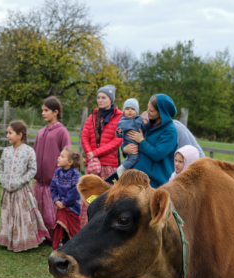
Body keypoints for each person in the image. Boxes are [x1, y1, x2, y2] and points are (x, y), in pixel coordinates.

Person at [0, 120, 49, 252]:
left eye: (10, 133)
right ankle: (8, 239)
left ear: (19, 135)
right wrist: (3, 180)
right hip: (7, 191)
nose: (7, 136)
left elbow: (32, 170)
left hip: (21, 190)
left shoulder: (28, 151)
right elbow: (1, 167)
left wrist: (19, 182)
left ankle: (22, 240)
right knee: (8, 213)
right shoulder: (6, 151)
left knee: (21, 215)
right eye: (7, 133)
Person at [80, 84, 123, 224]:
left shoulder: (120, 117)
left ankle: (104, 228)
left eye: (103, 97)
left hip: (108, 165)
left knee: (106, 198)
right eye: (98, 97)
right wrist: (89, 154)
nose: (100, 100)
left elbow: (117, 141)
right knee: (89, 197)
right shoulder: (92, 117)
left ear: (111, 99)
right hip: (93, 166)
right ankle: (86, 227)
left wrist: (95, 153)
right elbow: (84, 136)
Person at [33, 96, 72, 240]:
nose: (43, 113)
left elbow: (67, 155)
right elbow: (34, 152)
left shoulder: (62, 132)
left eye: (46, 110)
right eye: (42, 110)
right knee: (38, 211)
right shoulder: (40, 132)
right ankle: (40, 235)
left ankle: (55, 237)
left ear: (56, 112)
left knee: (53, 213)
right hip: (39, 183)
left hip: (54, 182)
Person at [124, 94, 179, 188]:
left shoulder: (170, 131)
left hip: (155, 183)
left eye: (151, 110)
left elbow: (157, 154)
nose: (147, 111)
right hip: (137, 178)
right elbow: (131, 142)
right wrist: (125, 150)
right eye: (148, 108)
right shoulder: (146, 125)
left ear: (161, 113)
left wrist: (141, 141)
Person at [107, 98, 148, 183]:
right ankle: (122, 169)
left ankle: (126, 171)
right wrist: (119, 132)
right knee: (133, 157)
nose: (130, 111)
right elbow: (119, 133)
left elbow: (145, 128)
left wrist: (145, 123)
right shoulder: (123, 121)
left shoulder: (139, 119)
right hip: (130, 143)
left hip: (139, 143)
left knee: (131, 159)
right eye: (127, 109)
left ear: (137, 111)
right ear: (124, 111)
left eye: (133, 109)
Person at [50, 148, 82, 249]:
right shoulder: (57, 172)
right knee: (61, 227)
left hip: (72, 208)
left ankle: (76, 247)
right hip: (61, 207)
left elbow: (74, 191)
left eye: (62, 156)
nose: (58, 158)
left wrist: (65, 202)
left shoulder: (75, 174)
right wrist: (56, 200)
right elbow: (53, 188)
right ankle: (63, 246)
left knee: (73, 230)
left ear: (70, 162)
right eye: (60, 156)